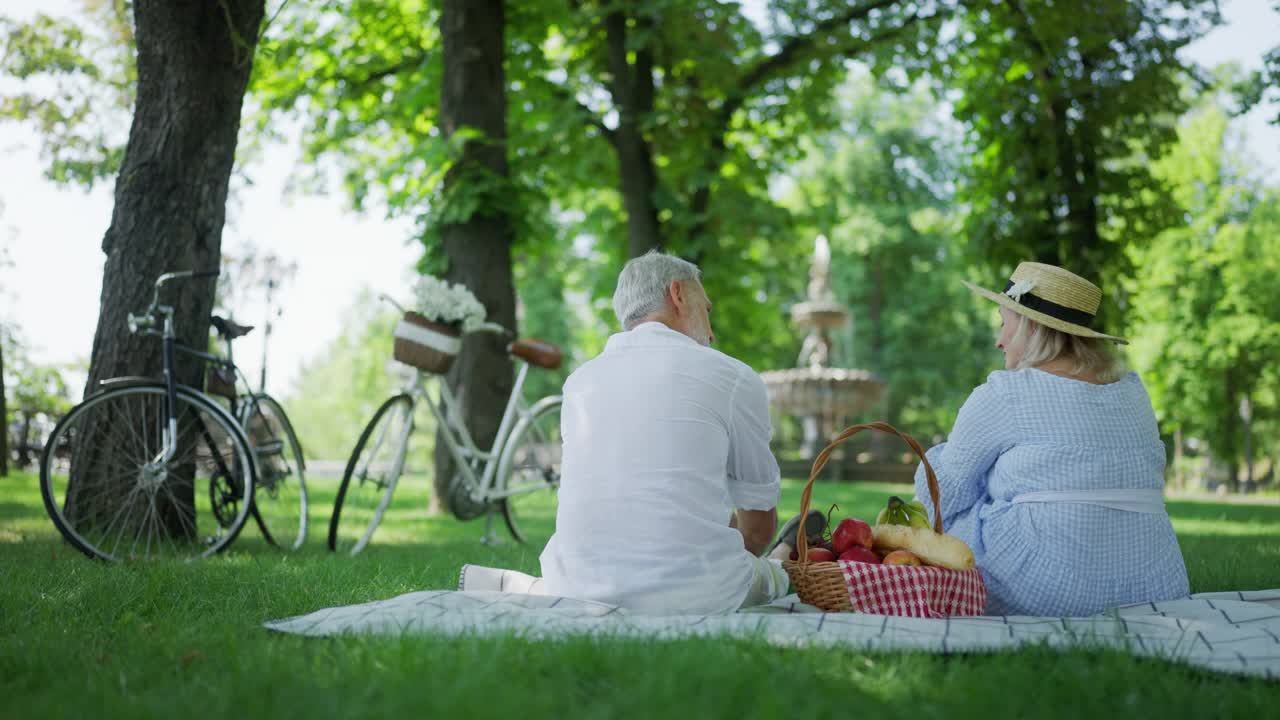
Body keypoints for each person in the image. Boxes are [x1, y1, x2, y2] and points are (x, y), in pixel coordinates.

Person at [539, 251, 820, 614]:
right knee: (776, 576)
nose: (712, 330)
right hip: (694, 596)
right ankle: (785, 556)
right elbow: (757, 528)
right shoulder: (732, 377)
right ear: (678, 294)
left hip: (573, 586)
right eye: (707, 309)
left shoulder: (579, 383)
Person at [916, 261, 1189, 616]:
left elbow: (938, 494)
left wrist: (946, 464)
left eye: (1004, 322)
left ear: (1030, 325)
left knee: (946, 517)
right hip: (1157, 583)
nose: (999, 339)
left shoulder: (1006, 392)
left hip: (1049, 587)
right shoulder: (1132, 392)